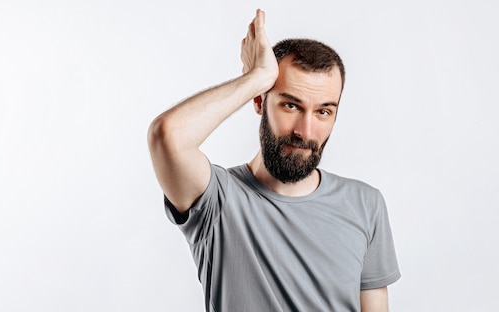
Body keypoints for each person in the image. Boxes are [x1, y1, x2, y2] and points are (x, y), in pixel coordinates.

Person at [148, 9, 400, 312]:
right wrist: (257, 78)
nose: (305, 132)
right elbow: (168, 135)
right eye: (291, 105)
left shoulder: (366, 203)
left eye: (323, 111)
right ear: (259, 101)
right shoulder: (216, 201)